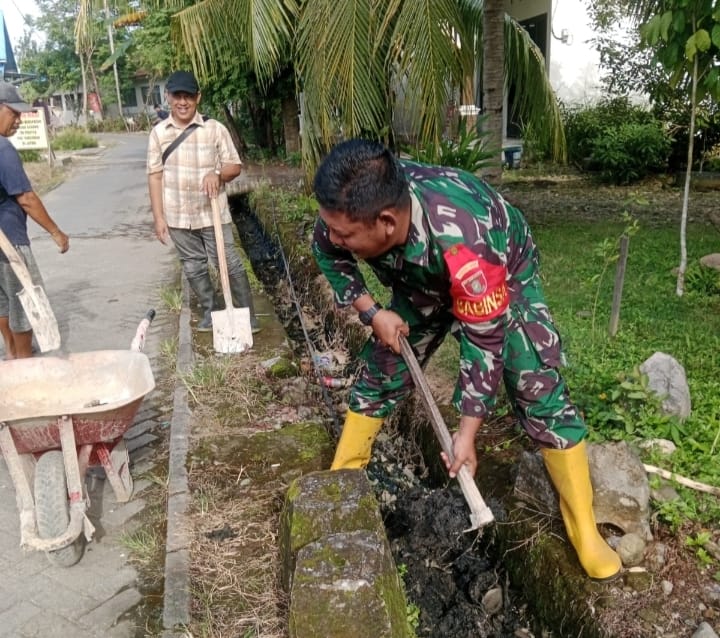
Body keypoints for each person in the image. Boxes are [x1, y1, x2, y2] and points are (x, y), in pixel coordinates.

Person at [311, 138, 621, 581]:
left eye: (345, 234)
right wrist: (372, 311)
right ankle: (343, 483)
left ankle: (584, 531)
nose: (335, 236)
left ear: (385, 222)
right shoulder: (346, 211)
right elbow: (326, 248)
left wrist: (466, 433)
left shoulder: (465, 237)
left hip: (501, 275)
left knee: (536, 385)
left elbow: (483, 337)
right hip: (422, 279)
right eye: (333, 227)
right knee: (383, 369)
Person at [147, 70, 259, 333]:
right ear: (168, 97)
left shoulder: (214, 129)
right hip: (177, 215)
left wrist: (218, 174)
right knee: (193, 266)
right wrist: (159, 217)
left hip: (213, 214)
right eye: (177, 96)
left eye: (188, 96)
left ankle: (246, 316)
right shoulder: (158, 134)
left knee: (228, 263)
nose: (182, 102)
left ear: (198, 97)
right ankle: (211, 311)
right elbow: (155, 177)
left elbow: (235, 165)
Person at [0, 82, 69, 359]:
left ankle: (13, 357)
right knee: (25, 304)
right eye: (13, 113)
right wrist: (56, 232)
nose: (18, 120)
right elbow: (26, 197)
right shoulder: (3, 149)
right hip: (10, 242)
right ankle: (25, 368)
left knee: (3, 305)